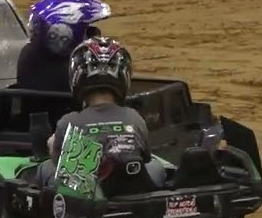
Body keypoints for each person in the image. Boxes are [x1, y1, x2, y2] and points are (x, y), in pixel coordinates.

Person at [31, 36, 164, 189]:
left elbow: (60, 164)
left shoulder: (69, 122)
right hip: (132, 190)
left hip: (87, 197)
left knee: (46, 167)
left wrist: (53, 146)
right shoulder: (134, 118)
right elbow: (145, 158)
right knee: (155, 164)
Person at [16, 0, 112, 92]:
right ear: (63, 35)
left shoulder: (31, 57)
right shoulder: (76, 75)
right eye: (87, 32)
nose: (92, 37)